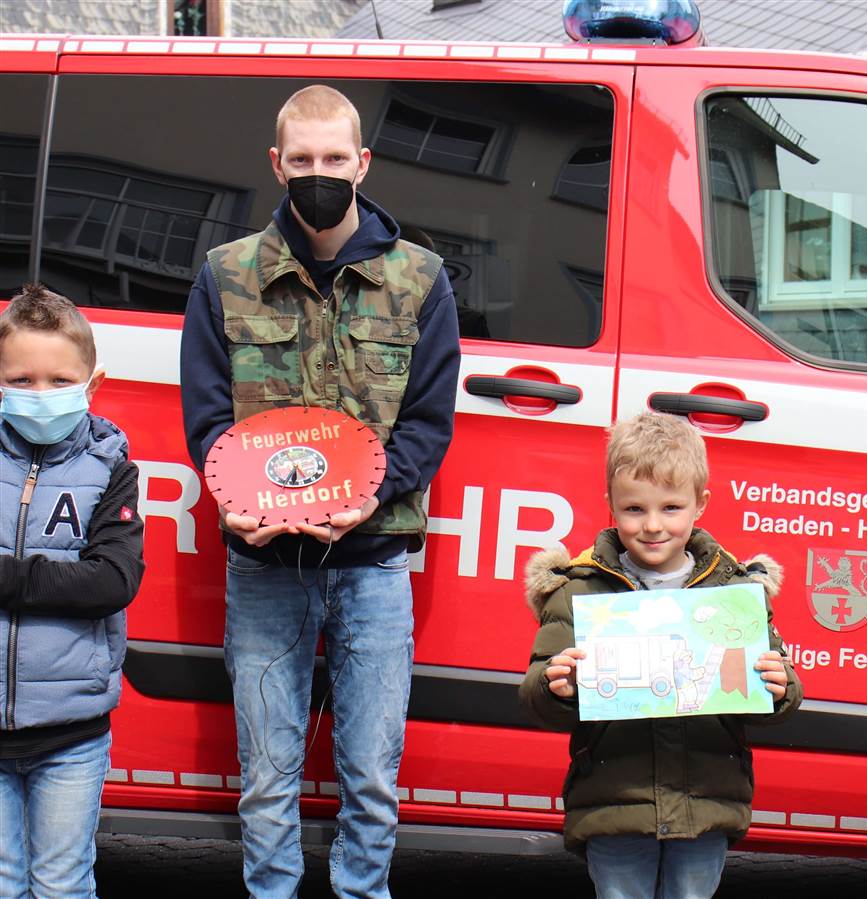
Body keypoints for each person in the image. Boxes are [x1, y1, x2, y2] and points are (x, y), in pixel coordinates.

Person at [180, 85, 460, 898]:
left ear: (362, 162)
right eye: (301, 160)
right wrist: (232, 499)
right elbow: (206, 418)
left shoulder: (420, 280)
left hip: (373, 564)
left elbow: (429, 422)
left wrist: (375, 495)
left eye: (334, 159)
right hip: (264, 563)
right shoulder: (225, 276)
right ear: (277, 164)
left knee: (370, 775)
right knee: (266, 777)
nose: (318, 174)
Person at [519, 411, 801, 899]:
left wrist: (780, 688)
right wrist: (555, 686)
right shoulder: (580, 591)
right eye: (635, 510)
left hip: (706, 800)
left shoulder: (733, 590)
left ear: (700, 506)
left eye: (671, 508)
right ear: (610, 506)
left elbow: (781, 689)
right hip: (613, 800)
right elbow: (536, 692)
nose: (652, 526)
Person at [0, 284, 145, 898]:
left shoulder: (113, 468)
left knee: (61, 884)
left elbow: (111, 581)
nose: (40, 395)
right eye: (21, 380)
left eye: (59, 380)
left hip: (72, 733)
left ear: (94, 382)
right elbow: (77, 579)